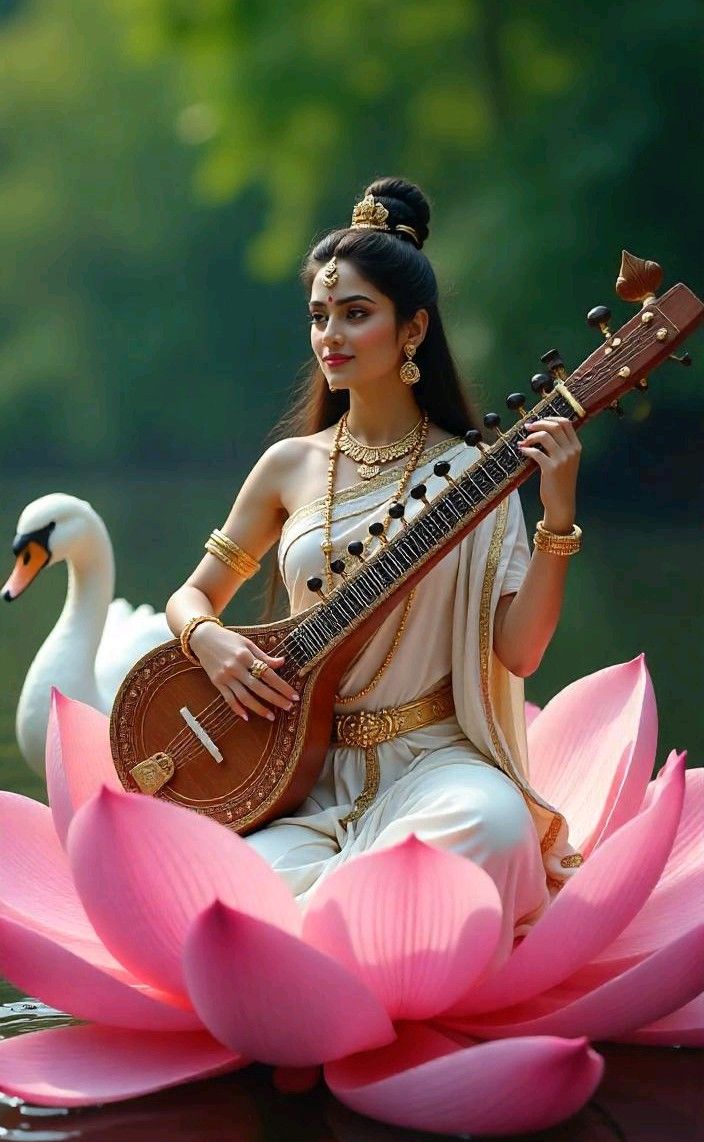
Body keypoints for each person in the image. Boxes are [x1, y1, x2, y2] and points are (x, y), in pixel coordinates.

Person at [165, 177, 584, 959]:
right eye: (320, 316)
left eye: (356, 314)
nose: (332, 335)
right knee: (220, 888)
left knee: (490, 828)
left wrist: (559, 521)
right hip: (300, 777)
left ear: (413, 329)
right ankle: (363, 938)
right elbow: (193, 596)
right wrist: (209, 642)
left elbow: (519, 653)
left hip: (434, 768)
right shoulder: (289, 467)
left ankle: (318, 953)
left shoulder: (474, 473)